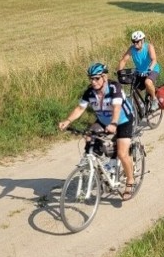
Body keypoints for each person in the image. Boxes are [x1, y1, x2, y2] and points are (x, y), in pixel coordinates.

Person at [58, 62, 136, 201]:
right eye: (91, 78)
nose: (93, 82)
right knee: (89, 137)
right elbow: (80, 109)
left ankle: (130, 181)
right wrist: (68, 121)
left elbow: (117, 107)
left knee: (122, 153)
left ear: (104, 77)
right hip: (103, 121)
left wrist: (113, 123)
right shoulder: (90, 92)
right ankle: (103, 166)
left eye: (96, 78)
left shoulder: (114, 88)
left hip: (123, 120)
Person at [117, 30, 161, 111]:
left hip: (153, 69)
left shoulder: (149, 47)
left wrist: (149, 69)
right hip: (140, 72)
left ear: (143, 40)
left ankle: (155, 100)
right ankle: (141, 106)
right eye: (133, 41)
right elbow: (123, 60)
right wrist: (119, 72)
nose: (135, 43)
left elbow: (154, 60)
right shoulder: (132, 49)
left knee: (148, 82)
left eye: (137, 42)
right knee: (134, 92)